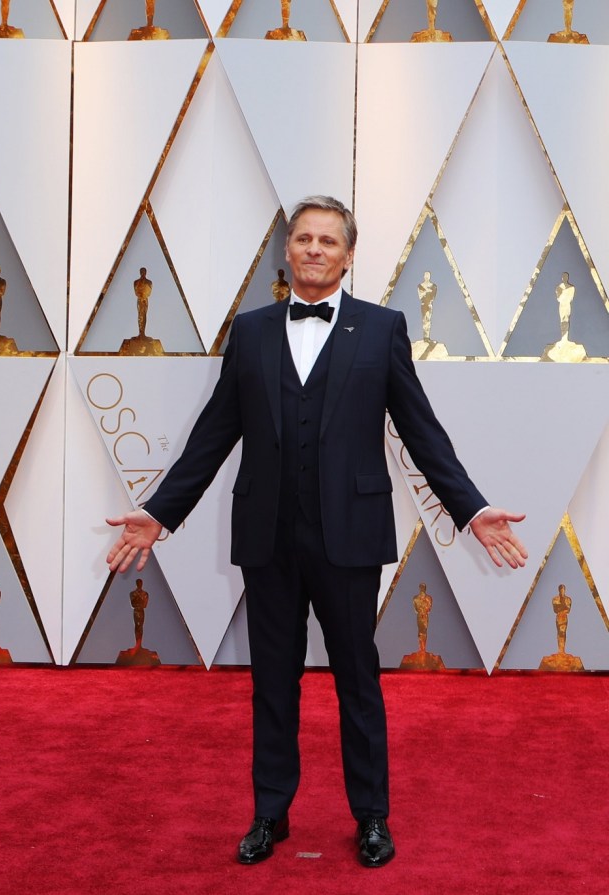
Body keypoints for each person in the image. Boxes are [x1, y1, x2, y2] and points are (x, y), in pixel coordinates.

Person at [106, 195, 528, 868]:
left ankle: (370, 818)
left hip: (351, 537)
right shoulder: (249, 332)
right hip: (267, 537)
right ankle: (270, 813)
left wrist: (470, 508)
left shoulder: (383, 329)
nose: (313, 249)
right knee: (273, 680)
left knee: (357, 679)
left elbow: (422, 431)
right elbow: (213, 434)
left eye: (328, 240)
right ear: (287, 251)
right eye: (303, 238)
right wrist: (160, 511)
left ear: (349, 254)